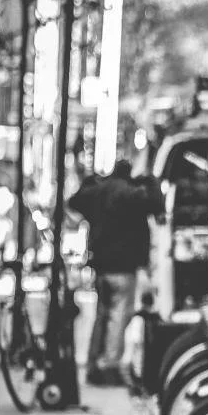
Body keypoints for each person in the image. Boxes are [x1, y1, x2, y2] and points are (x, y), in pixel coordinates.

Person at [73, 159, 151, 386]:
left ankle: (94, 362)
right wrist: (147, 181)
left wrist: (92, 182)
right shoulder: (130, 194)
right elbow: (156, 202)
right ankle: (108, 363)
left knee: (103, 314)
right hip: (122, 266)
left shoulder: (99, 192)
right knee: (119, 314)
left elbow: (75, 200)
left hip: (102, 264)